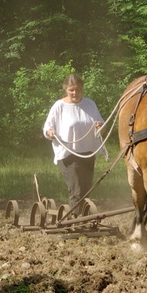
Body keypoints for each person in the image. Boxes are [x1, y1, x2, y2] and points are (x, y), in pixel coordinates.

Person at [43, 74, 104, 214]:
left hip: (88, 152)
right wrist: (50, 132)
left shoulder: (90, 104)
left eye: (77, 89)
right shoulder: (59, 106)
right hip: (68, 154)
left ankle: (83, 218)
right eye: (71, 90)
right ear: (66, 89)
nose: (75, 93)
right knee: (76, 190)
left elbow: (101, 122)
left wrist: (100, 125)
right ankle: (74, 222)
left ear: (82, 89)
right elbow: (47, 127)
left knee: (86, 189)